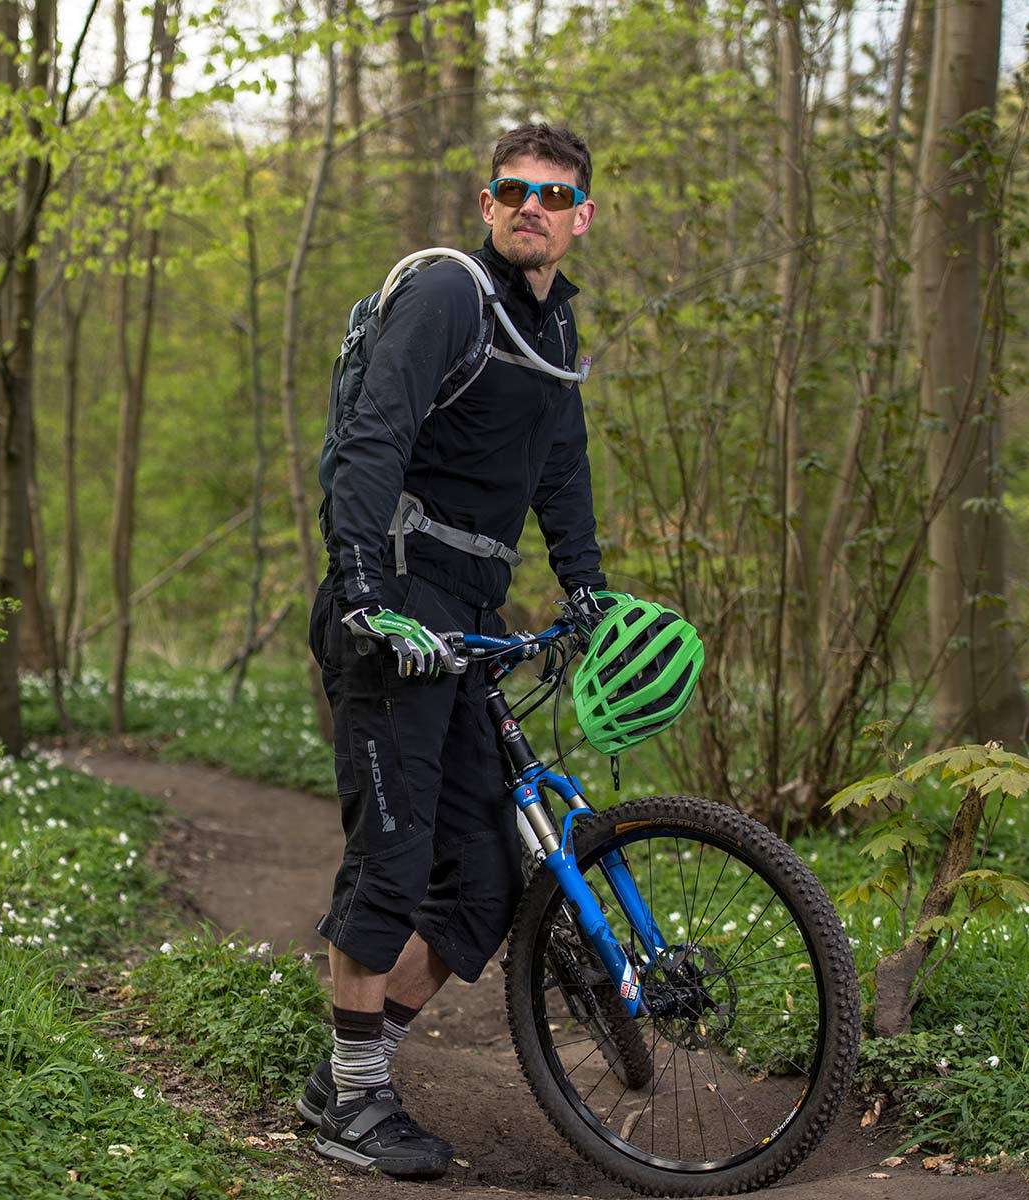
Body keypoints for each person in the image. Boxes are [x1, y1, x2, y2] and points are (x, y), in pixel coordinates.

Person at [302, 124, 610, 1180]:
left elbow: (559, 471)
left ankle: (349, 1070)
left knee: (482, 877)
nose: (532, 205)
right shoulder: (446, 293)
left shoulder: (556, 330)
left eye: (553, 192)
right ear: (487, 205)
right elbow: (375, 437)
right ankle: (352, 1106)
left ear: (581, 214)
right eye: (512, 188)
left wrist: (587, 589)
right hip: (392, 601)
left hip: (469, 615)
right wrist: (361, 592)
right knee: (391, 857)